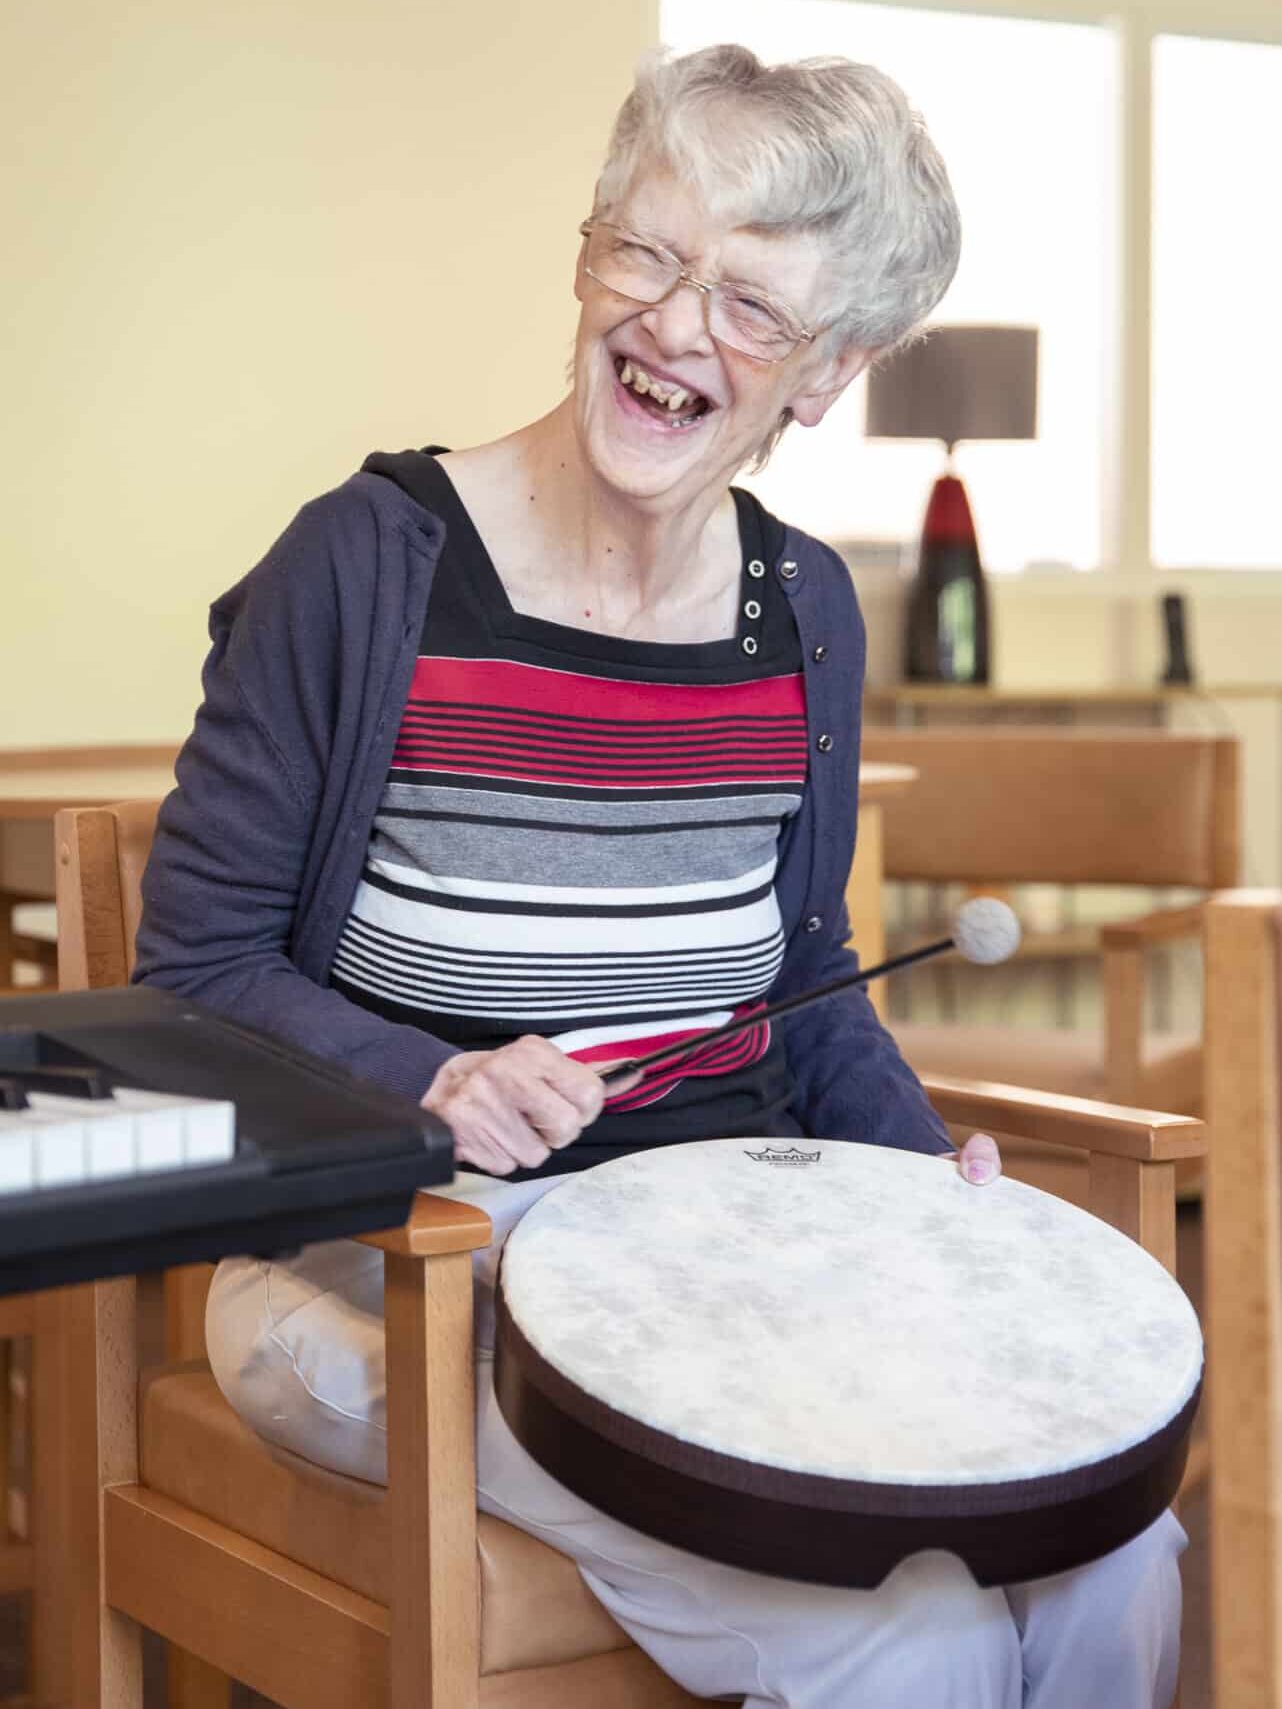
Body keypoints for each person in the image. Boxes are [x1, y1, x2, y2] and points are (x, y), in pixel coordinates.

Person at [134, 43, 1184, 1709]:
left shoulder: (801, 611)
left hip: (723, 1259)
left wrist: (927, 1185)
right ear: (584, 256)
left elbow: (798, 980)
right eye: (646, 251)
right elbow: (184, 974)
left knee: (1112, 1548)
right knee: (905, 1631)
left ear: (828, 370)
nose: (675, 325)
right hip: (393, 1257)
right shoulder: (369, 562)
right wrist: (433, 1080)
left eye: (751, 306)